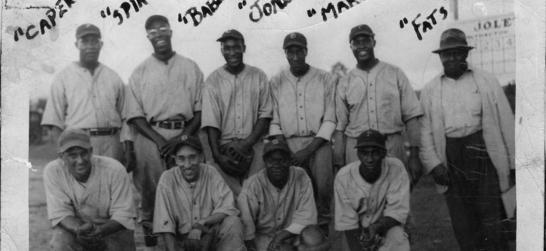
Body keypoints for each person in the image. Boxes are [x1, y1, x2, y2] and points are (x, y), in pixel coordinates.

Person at [420, 28, 515, 251]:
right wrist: (434, 165)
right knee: (463, 223)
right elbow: (424, 131)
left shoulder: (486, 80)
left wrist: (513, 163)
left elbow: (506, 121)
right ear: (440, 57)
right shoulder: (431, 90)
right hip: (451, 158)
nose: (451, 58)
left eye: (457, 52)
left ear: (466, 54)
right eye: (446, 54)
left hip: (483, 153)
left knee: (491, 216)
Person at [123, 15, 204, 250]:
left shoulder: (190, 66)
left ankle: (186, 235)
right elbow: (135, 115)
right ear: (148, 37)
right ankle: (150, 236)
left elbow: (200, 110)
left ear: (170, 32)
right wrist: (159, 140)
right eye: (152, 31)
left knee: (188, 185)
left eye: (162, 29)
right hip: (151, 134)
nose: (158, 34)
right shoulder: (140, 71)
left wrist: (182, 138)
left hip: (184, 131)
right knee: (150, 189)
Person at [333, 24, 423, 186]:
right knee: (359, 203)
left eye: (366, 40)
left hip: (391, 146)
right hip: (357, 150)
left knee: (396, 202)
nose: (361, 45)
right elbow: (340, 128)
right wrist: (339, 163)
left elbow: (411, 117)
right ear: (351, 46)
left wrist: (415, 156)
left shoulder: (394, 73)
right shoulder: (345, 81)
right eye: (356, 42)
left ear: (374, 42)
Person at [269, 32, 337, 232]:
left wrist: (307, 151)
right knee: (292, 195)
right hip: (287, 143)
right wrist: (286, 151)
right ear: (286, 54)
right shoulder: (277, 81)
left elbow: (331, 118)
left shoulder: (325, 78)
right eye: (291, 52)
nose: (296, 56)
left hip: (318, 142)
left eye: (299, 51)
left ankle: (321, 238)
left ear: (306, 51)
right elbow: (274, 121)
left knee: (323, 192)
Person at [41, 23, 133, 167]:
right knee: (82, 188)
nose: (90, 46)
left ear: (100, 44)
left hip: (112, 141)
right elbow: (54, 122)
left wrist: (128, 149)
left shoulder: (113, 77)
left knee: (111, 186)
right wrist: (63, 153)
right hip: (78, 142)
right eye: (84, 42)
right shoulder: (63, 77)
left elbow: (127, 117)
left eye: (94, 41)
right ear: (76, 44)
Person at [201, 29, 273, 196]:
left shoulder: (258, 76)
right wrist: (218, 157)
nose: (232, 52)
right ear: (222, 51)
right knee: (227, 197)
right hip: (225, 146)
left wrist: (246, 144)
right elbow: (211, 122)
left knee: (257, 194)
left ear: (244, 48)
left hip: (254, 143)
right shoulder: (213, 80)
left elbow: (265, 115)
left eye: (236, 47)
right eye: (227, 48)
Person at [43, 129, 136, 251]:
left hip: (112, 229)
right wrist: (79, 230)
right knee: (60, 242)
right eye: (73, 156)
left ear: (91, 151)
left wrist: (100, 231)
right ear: (61, 156)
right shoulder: (53, 171)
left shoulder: (114, 169)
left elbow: (123, 214)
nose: (80, 161)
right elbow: (60, 213)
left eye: (84, 153)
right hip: (77, 231)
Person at [153, 135, 244, 251]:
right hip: (181, 242)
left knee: (233, 222)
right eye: (181, 158)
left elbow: (228, 207)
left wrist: (201, 223)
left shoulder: (211, 172)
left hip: (207, 235)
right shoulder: (167, 178)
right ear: (175, 160)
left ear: (201, 157)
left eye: (192, 157)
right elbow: (164, 226)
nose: (187, 164)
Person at [237, 137, 320, 251]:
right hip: (263, 239)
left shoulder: (301, 176)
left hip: (292, 235)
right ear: (264, 162)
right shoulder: (252, 185)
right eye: (271, 160)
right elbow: (248, 231)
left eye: (282, 160)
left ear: (290, 160)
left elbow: (307, 217)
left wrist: (279, 238)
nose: (277, 164)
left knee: (315, 238)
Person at [334, 129, 410, 251]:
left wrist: (377, 227)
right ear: (358, 154)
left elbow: (397, 211)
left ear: (384, 153)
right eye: (364, 153)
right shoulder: (343, 177)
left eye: (375, 153)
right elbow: (347, 222)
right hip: (355, 231)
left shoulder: (396, 168)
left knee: (398, 238)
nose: (369, 159)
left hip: (387, 227)